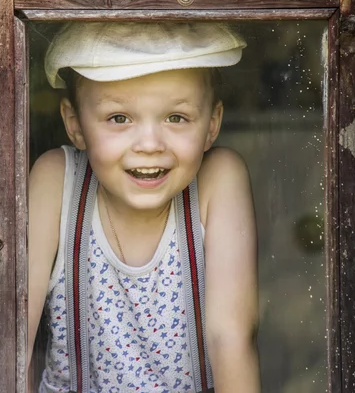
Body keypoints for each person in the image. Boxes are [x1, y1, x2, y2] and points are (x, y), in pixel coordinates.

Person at [28, 22, 259, 393]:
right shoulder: (58, 181)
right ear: (75, 124)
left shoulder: (218, 178)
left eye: (176, 118)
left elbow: (229, 339)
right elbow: (12, 339)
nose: (150, 144)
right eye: (119, 118)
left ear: (212, 124)